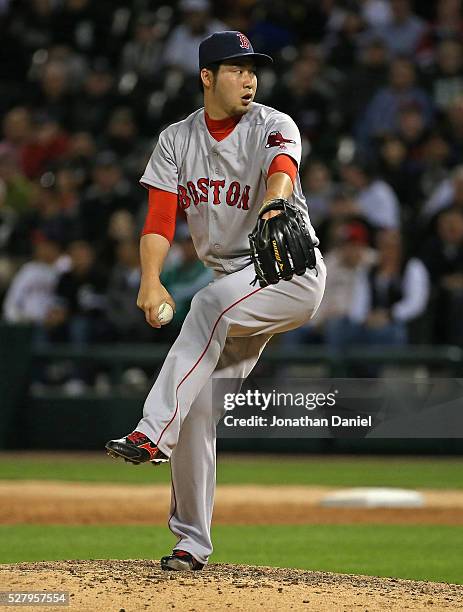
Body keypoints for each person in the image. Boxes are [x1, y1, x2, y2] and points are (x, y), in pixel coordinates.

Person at [105, 31, 326, 571]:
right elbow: (160, 217)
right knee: (198, 403)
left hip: (286, 272)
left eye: (253, 69)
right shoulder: (176, 140)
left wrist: (276, 206)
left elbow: (282, 171)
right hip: (233, 286)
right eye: (235, 68)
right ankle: (191, 544)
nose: (249, 78)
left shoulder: (273, 123)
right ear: (206, 76)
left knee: (206, 307)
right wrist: (150, 280)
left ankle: (151, 431)